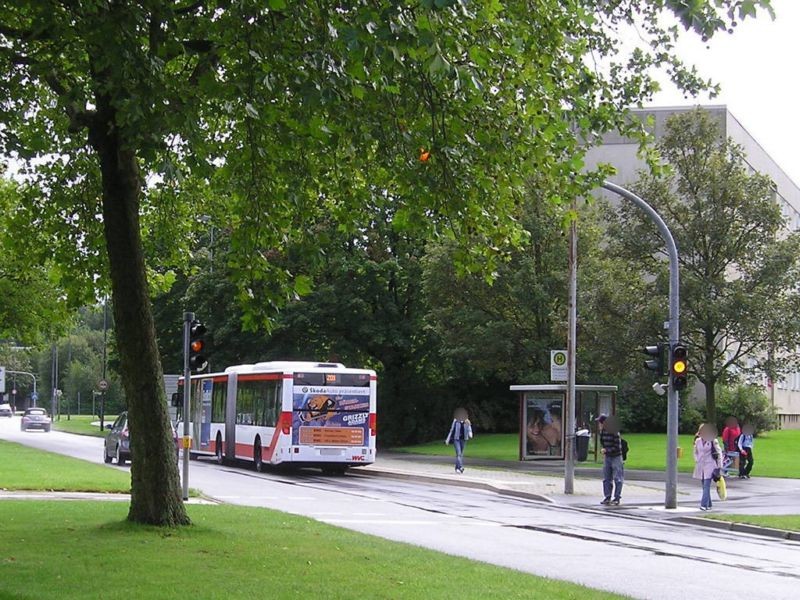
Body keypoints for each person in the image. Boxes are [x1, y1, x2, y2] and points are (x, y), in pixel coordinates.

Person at [693, 423, 723, 511]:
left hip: (710, 465)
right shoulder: (697, 441)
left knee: (706, 485)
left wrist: (719, 466)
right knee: (704, 485)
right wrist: (696, 459)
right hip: (700, 465)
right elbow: (695, 451)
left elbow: (719, 453)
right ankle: (709, 504)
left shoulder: (713, 441)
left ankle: (703, 505)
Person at [597, 414, 623, 506]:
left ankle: (617, 498)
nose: (599, 425)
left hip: (616, 456)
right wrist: (605, 451)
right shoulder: (603, 432)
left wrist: (607, 450)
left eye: (600, 422)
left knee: (617, 478)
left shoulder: (614, 432)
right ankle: (607, 497)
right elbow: (602, 442)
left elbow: (617, 447)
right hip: (607, 456)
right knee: (606, 478)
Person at [445, 407, 473, 473]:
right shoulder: (455, 421)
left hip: (464, 439)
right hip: (456, 439)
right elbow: (451, 430)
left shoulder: (467, 421)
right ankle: (460, 467)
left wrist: (470, 433)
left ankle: (457, 468)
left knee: (461, 454)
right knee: (459, 453)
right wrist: (447, 439)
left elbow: (469, 429)